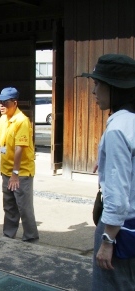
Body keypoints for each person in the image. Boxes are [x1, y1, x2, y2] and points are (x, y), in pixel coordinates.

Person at [82, 54, 135, 290]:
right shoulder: (131, 122)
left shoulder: (117, 129)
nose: (94, 91)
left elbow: (118, 194)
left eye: (97, 84)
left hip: (121, 229)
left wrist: (108, 239)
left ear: (113, 87)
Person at [0, 87, 39, 242]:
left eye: (5, 102)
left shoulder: (22, 121)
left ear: (15, 102)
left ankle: (31, 238)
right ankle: (8, 237)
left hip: (21, 173)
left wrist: (15, 174)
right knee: (9, 207)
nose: (1, 105)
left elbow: (19, 149)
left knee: (24, 208)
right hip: (6, 171)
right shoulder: (4, 119)